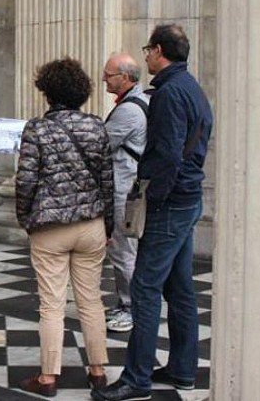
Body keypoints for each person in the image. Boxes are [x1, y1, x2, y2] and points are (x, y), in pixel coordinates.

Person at [91, 25, 213, 401]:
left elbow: (167, 154)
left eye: (148, 50)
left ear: (159, 51)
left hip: (170, 202)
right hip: (188, 198)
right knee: (179, 289)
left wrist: (153, 197)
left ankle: (136, 379)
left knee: (144, 289)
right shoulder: (191, 87)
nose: (145, 57)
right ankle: (182, 369)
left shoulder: (167, 94)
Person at [15, 57, 114, 397]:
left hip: (50, 227)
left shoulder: (37, 129)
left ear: (48, 92)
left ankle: (48, 378)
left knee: (52, 304)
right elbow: (107, 182)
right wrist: (109, 225)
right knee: (91, 301)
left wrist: (25, 217)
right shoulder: (97, 126)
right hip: (91, 225)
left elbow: (25, 180)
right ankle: (98, 371)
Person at [102, 53, 149, 333]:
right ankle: (130, 304)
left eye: (109, 75)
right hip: (130, 185)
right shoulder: (142, 102)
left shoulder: (129, 110)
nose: (104, 78)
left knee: (122, 252)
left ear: (126, 78)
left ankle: (129, 307)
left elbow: (102, 143)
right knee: (128, 250)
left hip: (124, 189)